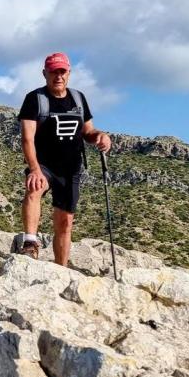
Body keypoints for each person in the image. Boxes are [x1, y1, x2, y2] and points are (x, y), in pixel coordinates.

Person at [16, 52, 111, 265]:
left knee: (65, 221)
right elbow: (27, 138)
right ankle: (30, 243)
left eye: (62, 71)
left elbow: (88, 131)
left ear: (68, 73)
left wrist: (99, 137)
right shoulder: (35, 99)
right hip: (44, 164)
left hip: (70, 168)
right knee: (34, 188)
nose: (58, 76)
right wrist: (34, 169)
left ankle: (62, 268)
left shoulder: (78, 99)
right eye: (53, 72)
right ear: (45, 73)